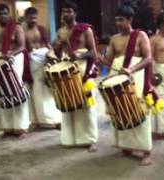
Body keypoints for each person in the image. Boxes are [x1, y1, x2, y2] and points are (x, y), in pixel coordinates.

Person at [104, 2, 157, 166]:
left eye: (121, 20)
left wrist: (131, 69)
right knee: (120, 110)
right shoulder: (114, 39)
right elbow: (109, 61)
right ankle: (126, 147)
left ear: (130, 19)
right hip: (117, 77)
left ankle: (146, 151)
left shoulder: (141, 36)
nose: (118, 23)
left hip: (136, 77)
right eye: (116, 20)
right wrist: (101, 60)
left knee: (139, 111)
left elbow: (148, 58)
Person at [49, 1, 98, 152]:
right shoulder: (60, 32)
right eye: (64, 11)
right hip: (66, 68)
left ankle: (91, 140)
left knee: (87, 105)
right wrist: (57, 49)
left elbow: (93, 53)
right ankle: (70, 138)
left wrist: (79, 56)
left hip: (83, 69)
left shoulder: (85, 30)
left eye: (69, 11)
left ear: (75, 13)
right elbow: (58, 54)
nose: (66, 14)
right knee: (68, 102)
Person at [0, 3, 30, 138]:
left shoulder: (16, 28)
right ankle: (8, 127)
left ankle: (22, 127)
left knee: (16, 91)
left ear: (9, 14)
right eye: (0, 14)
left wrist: (10, 54)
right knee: (2, 94)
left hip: (14, 60)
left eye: (5, 13)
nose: (2, 16)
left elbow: (22, 45)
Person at [22, 7, 62, 130]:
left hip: (44, 58)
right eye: (30, 18)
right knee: (37, 90)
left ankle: (54, 119)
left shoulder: (41, 29)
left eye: (35, 17)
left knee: (48, 89)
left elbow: (47, 44)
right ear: (25, 17)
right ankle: (41, 120)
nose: (33, 20)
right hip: (32, 61)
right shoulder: (22, 31)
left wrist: (51, 54)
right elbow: (23, 48)